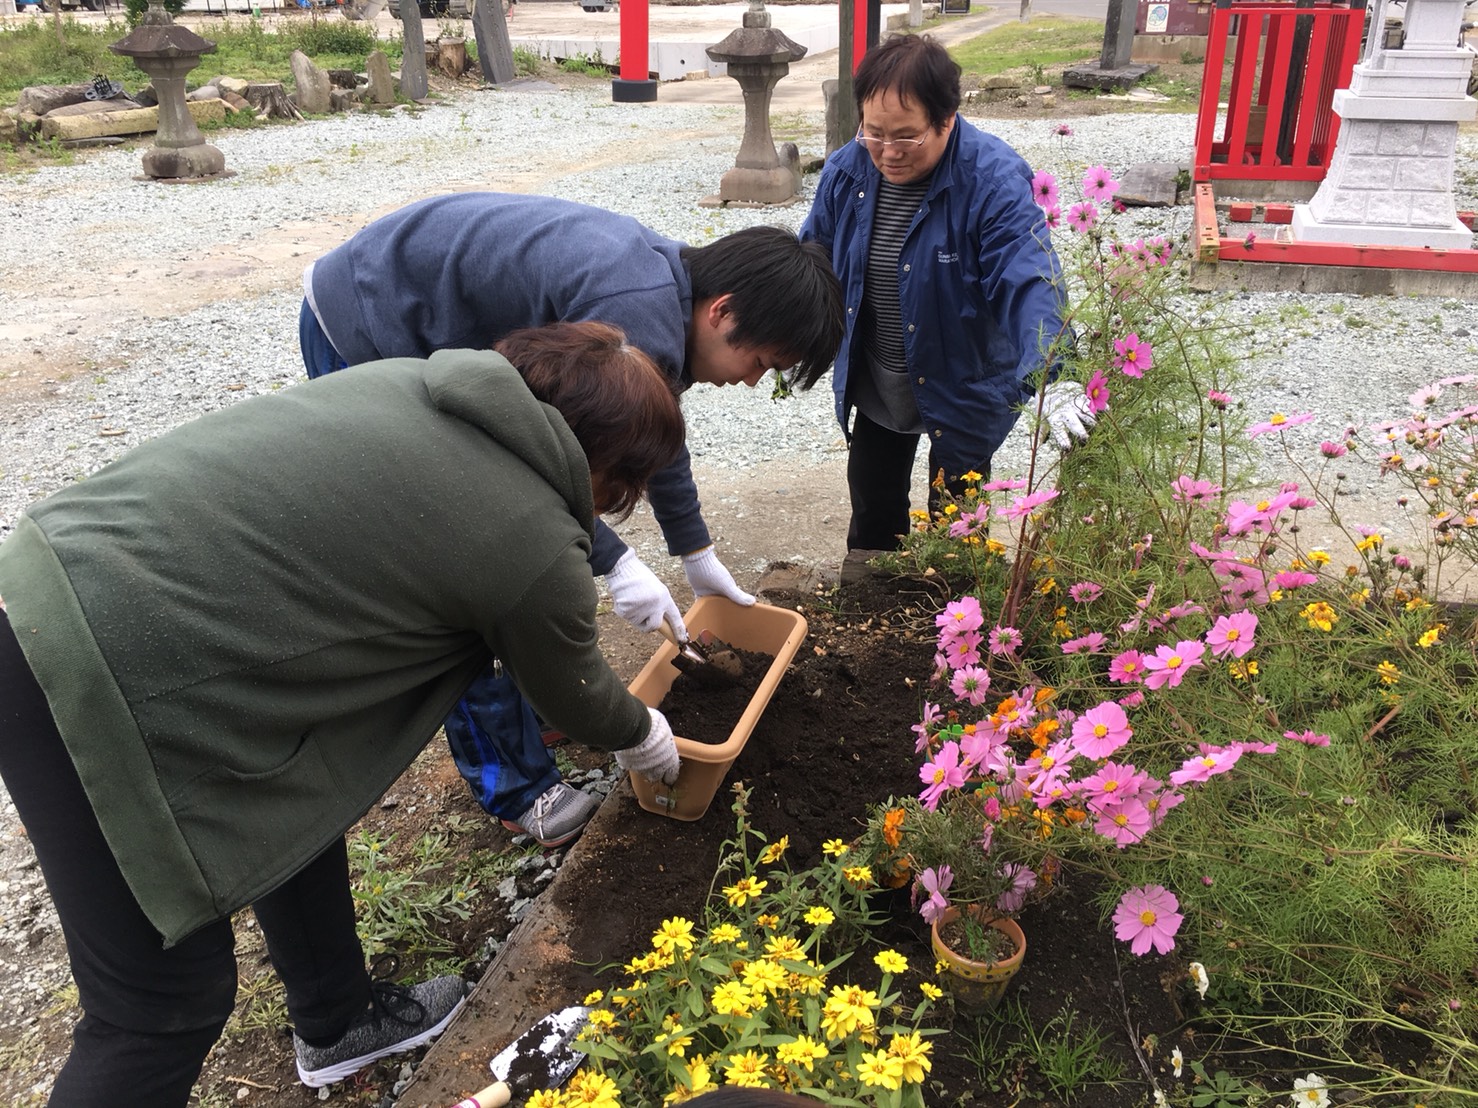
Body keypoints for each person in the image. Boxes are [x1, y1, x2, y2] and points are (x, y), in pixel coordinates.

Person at [0, 323, 690, 1104]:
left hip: (57, 569)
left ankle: (337, 1021)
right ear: (608, 469)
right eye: (624, 489)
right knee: (158, 1005)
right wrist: (646, 736)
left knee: (292, 801)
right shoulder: (526, 530)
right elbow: (577, 694)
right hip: (79, 661)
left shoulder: (414, 385)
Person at [299, 192, 843, 848]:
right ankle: (516, 786)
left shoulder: (666, 305)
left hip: (437, 326)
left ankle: (543, 706)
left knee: (519, 556)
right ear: (722, 311)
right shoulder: (631, 309)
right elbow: (529, 474)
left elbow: (653, 432)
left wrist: (694, 553)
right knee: (472, 571)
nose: (753, 381)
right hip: (368, 319)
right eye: (760, 363)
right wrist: (615, 561)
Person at [800, 34, 1085, 555]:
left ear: (947, 119)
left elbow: (1027, 278)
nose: (888, 152)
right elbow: (813, 258)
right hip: (880, 381)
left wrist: (1056, 372)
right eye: (874, 132)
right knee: (874, 515)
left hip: (962, 384)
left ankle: (956, 603)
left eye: (906, 137)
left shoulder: (992, 180)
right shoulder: (848, 169)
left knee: (958, 527)